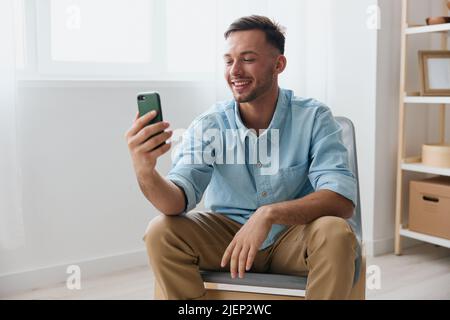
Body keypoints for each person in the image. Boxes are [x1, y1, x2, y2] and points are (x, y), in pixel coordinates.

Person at [125, 15, 358, 300]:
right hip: (228, 242)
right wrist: (145, 171)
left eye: (247, 59)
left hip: (294, 239)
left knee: (335, 232)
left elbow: (341, 200)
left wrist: (269, 214)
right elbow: (176, 202)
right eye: (228, 61)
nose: (235, 70)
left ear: (278, 65)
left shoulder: (314, 117)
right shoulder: (209, 124)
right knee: (160, 230)